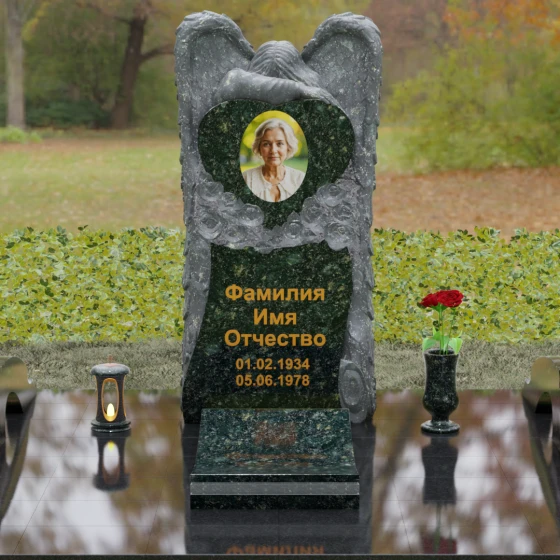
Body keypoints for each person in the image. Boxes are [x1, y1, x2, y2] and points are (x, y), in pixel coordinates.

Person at [242, 118, 305, 202]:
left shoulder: (300, 179)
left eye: (279, 143)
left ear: (288, 147)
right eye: (266, 144)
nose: (273, 150)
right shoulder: (246, 178)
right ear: (259, 148)